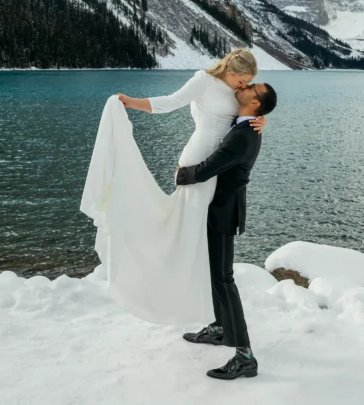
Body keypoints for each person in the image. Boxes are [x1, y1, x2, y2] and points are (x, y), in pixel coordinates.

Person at [78, 50, 269, 349]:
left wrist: (261, 121)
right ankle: (210, 319)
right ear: (231, 70)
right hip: (199, 167)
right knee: (191, 240)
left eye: (248, 84)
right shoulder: (203, 82)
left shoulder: (239, 94)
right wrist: (130, 102)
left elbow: (247, 115)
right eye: (242, 81)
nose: (242, 87)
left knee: (204, 248)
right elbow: (170, 102)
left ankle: (219, 325)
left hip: (213, 169)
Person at [176, 80, 277, 380]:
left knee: (223, 278)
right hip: (219, 209)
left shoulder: (244, 136)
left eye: (252, 87)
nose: (245, 85)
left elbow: (209, 167)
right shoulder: (247, 125)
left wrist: (183, 174)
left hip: (222, 213)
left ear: (255, 102)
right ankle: (220, 329)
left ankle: (245, 356)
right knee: (215, 275)